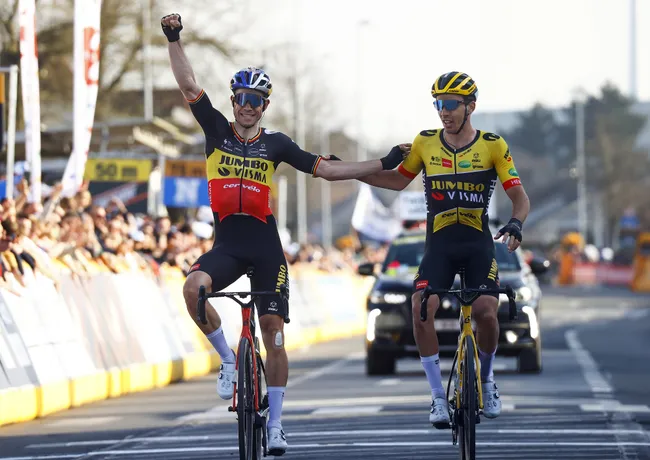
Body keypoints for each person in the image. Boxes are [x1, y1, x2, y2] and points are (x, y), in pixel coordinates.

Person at [160, 13, 407, 456]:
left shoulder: (277, 144)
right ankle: (230, 361)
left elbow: (328, 170)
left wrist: (381, 163)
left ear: (265, 105)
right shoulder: (216, 130)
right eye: (241, 97)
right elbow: (187, 83)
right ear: (233, 100)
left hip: (266, 249)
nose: (247, 105)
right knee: (193, 289)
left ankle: (275, 425)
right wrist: (173, 38)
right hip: (228, 246)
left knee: (272, 330)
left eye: (256, 99)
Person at [356, 71, 530, 427]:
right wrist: (357, 173)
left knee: (485, 310)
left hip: (477, 244)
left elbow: (519, 196)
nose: (443, 112)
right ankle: (437, 397)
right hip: (440, 246)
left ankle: (487, 378)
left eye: (450, 104)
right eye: (438, 104)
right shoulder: (425, 143)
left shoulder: (493, 145)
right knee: (421, 306)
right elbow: (396, 180)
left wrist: (516, 222)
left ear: (471, 107)